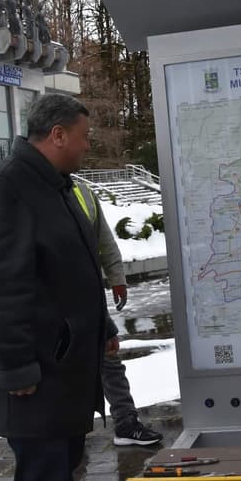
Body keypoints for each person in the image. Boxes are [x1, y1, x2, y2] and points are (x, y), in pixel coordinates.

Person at [0, 94, 106, 481]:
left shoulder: (55, 187)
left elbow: (68, 271)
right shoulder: (5, 187)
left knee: (58, 478)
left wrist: (104, 326)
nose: (87, 146)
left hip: (58, 370)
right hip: (34, 378)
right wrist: (15, 367)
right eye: (83, 137)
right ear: (58, 134)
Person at [70, 179, 164, 447]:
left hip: (88, 295)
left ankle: (125, 422)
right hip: (55, 302)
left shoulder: (82, 191)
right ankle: (69, 430)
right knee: (66, 366)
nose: (86, 146)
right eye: (83, 137)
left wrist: (117, 277)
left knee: (109, 355)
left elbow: (104, 239)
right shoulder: (38, 189)